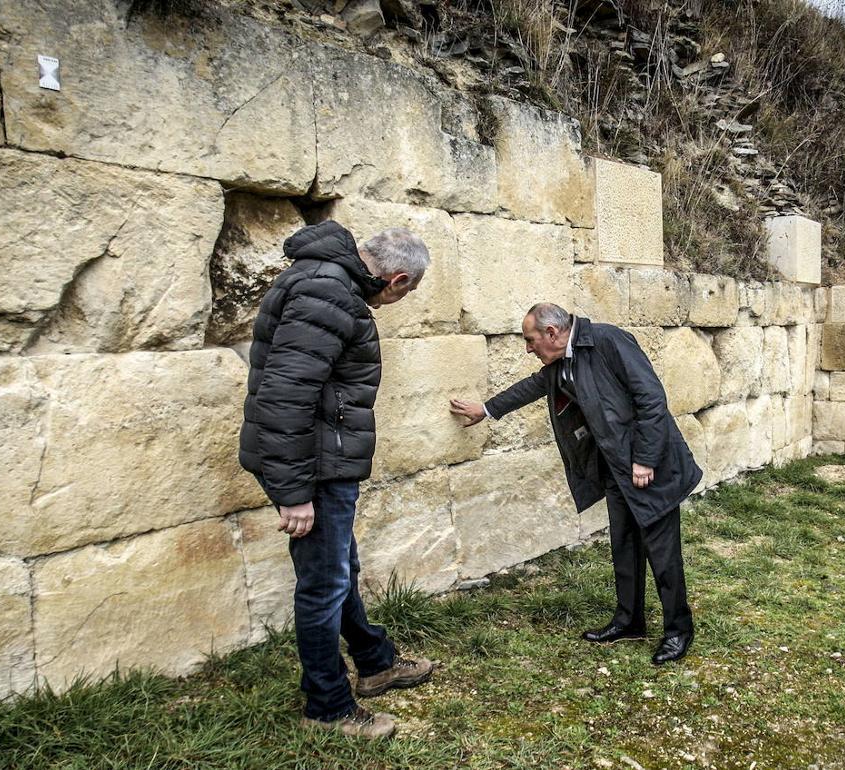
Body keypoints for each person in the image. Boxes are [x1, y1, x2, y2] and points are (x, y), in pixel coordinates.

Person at [239, 220, 434, 738]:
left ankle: (375, 662)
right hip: (314, 468)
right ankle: (327, 708)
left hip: (321, 460)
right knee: (323, 584)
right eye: (406, 292)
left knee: (339, 566)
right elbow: (285, 394)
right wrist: (294, 494)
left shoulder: (327, 281)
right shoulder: (330, 291)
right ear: (395, 280)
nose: (399, 300)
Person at [449, 303, 701, 664]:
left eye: (530, 340)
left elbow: (651, 399)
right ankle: (629, 621)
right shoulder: (559, 363)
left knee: (663, 556)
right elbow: (532, 387)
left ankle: (678, 631)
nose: (528, 348)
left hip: (651, 467)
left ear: (552, 333)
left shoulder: (608, 340)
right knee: (624, 549)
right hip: (615, 471)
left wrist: (644, 459)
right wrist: (486, 409)